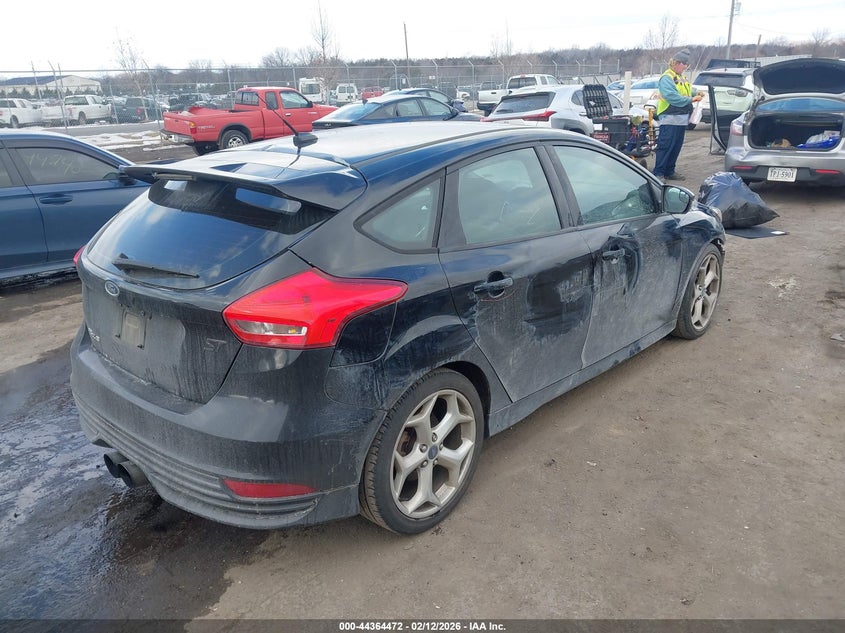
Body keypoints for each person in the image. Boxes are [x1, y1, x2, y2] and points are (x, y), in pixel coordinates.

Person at [652, 49, 704, 182]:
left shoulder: (681, 77)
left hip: (680, 118)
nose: (686, 67)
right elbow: (672, 97)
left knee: (676, 146)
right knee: (665, 146)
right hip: (669, 118)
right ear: (677, 63)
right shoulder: (667, 77)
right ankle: (658, 173)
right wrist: (691, 100)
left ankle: (669, 171)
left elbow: (687, 89)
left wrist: (696, 92)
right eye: (684, 64)